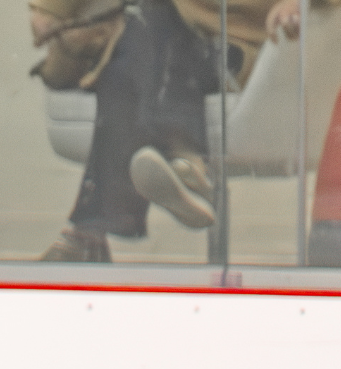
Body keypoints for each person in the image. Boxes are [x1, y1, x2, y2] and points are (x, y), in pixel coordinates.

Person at [32, 0, 327, 261]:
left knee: (136, 48)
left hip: (236, 43)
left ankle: (87, 235)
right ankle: (187, 165)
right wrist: (50, 9)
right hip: (162, 33)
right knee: (139, 42)